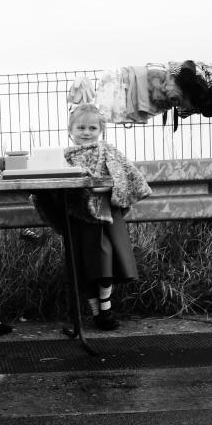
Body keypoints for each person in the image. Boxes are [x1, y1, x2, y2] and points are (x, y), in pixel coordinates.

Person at [52, 103, 151, 330]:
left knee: (106, 265)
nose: (87, 133)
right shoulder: (63, 158)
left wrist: (110, 187)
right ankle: (97, 313)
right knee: (83, 268)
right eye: (81, 128)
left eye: (92, 128)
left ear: (101, 130)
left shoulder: (108, 151)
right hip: (78, 220)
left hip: (107, 217)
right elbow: (55, 186)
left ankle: (105, 308)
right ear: (70, 131)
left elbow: (128, 176)